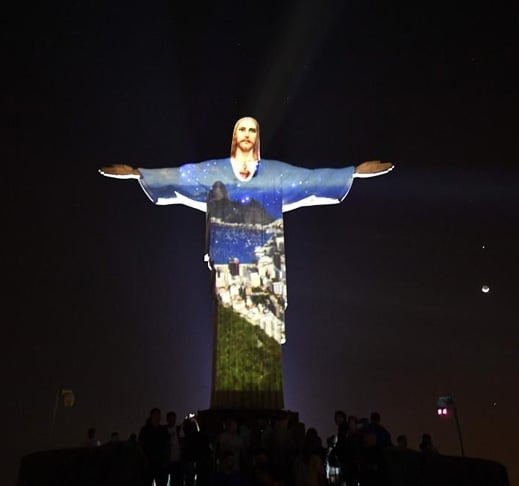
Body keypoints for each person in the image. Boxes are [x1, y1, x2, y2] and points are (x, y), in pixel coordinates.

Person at [100, 117, 393, 410]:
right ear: (233, 135)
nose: (247, 134)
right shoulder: (214, 171)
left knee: (264, 334)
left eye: (252, 129)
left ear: (258, 136)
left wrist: (352, 172)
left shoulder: (274, 174)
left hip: (268, 269)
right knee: (231, 332)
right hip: (229, 268)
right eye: (242, 129)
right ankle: (228, 402)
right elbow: (178, 176)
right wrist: (139, 173)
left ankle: (268, 403)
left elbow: (314, 178)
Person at [138, 408, 170, 486]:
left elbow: (168, 445)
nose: (159, 417)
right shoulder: (145, 430)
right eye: (157, 415)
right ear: (152, 416)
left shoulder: (163, 430)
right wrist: (145, 460)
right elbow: (140, 446)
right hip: (149, 463)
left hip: (160, 463)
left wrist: (166, 459)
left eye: (159, 415)